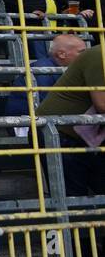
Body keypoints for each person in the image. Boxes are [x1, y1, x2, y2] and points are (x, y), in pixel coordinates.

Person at [34, 43, 105, 196]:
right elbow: (102, 104)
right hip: (60, 132)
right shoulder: (99, 55)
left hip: (86, 133)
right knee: (72, 197)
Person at [3, 34, 88, 136]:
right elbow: (48, 107)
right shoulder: (42, 70)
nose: (86, 56)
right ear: (61, 54)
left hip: (44, 121)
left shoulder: (61, 68)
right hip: (24, 125)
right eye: (81, 52)